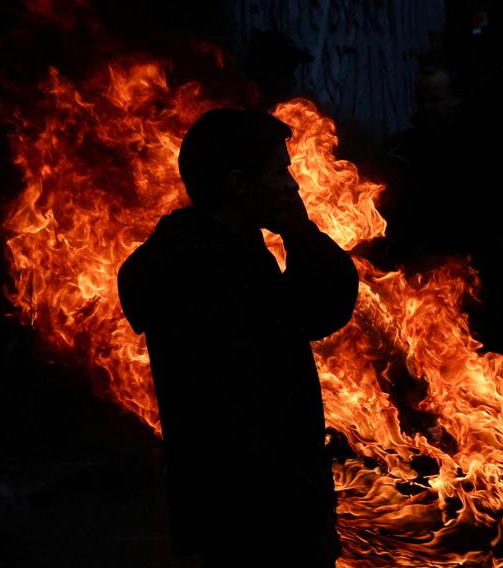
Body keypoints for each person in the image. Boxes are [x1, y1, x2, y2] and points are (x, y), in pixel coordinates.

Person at [117, 109, 357, 567]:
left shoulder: (235, 255)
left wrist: (299, 232)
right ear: (238, 184)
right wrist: (297, 508)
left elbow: (320, 308)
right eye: (279, 172)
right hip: (257, 522)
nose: (293, 185)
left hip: (263, 513)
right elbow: (243, 410)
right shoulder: (204, 277)